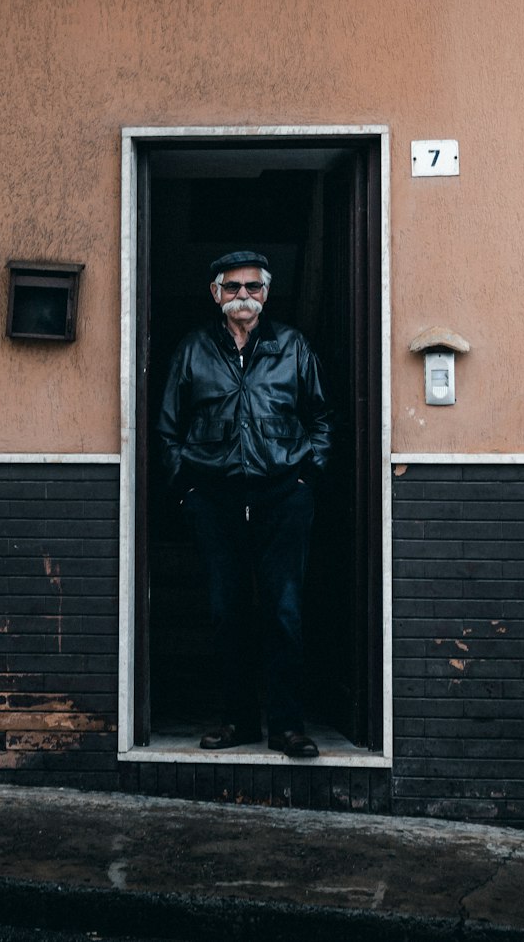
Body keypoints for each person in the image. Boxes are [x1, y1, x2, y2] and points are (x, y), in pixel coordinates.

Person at [156, 250, 333, 758]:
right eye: (233, 287)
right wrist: (187, 490)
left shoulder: (291, 346)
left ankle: (286, 727)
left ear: (266, 294)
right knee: (227, 612)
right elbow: (168, 426)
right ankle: (238, 723)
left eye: (253, 287)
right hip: (215, 499)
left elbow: (321, 418)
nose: (243, 296)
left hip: (283, 495)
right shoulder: (193, 349)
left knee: (284, 612)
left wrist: (306, 476)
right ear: (216, 294)